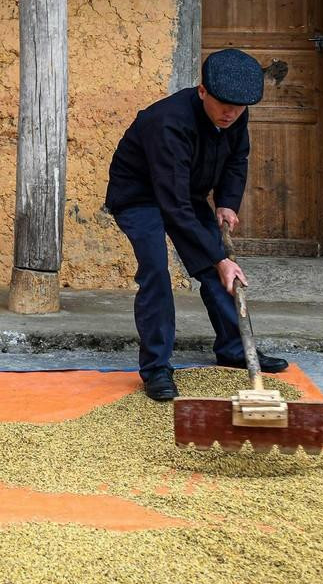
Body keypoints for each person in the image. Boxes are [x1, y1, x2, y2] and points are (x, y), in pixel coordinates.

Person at [103, 47, 289, 402]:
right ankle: (157, 367)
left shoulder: (235, 115)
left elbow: (237, 158)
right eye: (222, 104)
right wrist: (217, 258)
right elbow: (171, 203)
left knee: (220, 269)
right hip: (140, 195)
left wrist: (226, 203)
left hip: (184, 193)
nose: (230, 113)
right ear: (202, 91)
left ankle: (235, 349)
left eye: (239, 107)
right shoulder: (168, 122)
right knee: (157, 269)